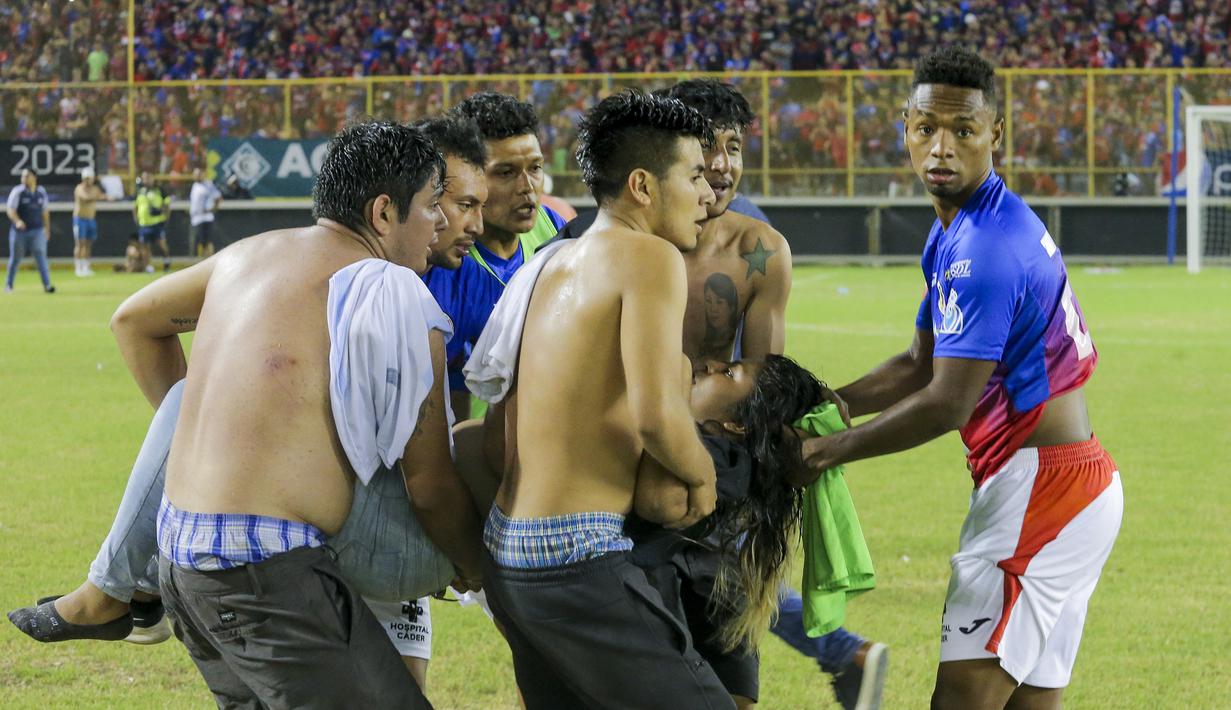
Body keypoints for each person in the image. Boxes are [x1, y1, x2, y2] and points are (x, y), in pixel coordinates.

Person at [797, 47, 1123, 710]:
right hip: (1064, 485)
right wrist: (829, 402)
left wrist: (825, 451)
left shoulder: (984, 248)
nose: (941, 148)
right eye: (926, 129)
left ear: (994, 134)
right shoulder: (954, 232)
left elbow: (946, 403)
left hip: (1041, 490)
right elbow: (920, 363)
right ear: (905, 129)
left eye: (962, 131)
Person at [121, 121, 478, 708]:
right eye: (431, 205)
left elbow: (133, 321)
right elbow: (432, 485)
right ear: (384, 212)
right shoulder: (393, 291)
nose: (440, 222)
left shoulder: (249, 254)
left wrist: (210, 433)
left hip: (183, 562)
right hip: (264, 574)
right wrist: (475, 568)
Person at [479, 90, 731, 709]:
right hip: (575, 555)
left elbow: (495, 427)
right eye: (694, 175)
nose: (708, 193)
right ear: (642, 186)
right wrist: (704, 480)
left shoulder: (550, 262)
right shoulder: (649, 256)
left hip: (508, 552)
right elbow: (655, 418)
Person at [657, 78, 886, 710]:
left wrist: (798, 443)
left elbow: (765, 381)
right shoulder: (622, 245)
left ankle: (840, 650)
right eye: (706, 146)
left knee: (733, 686)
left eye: (733, 146)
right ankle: (842, 652)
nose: (722, 164)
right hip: (626, 477)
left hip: (717, 485)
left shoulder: (759, 249)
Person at [429, 92, 567, 418]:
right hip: (474, 441)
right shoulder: (441, 261)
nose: (527, 186)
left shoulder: (552, 226)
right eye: (506, 172)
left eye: (535, 168)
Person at [5, 169, 54, 293]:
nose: (24, 178)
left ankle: (47, 285)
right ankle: (9, 285)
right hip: (19, 232)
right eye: (23, 176)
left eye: (27, 176)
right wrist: (17, 221)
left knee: (41, 258)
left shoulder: (41, 192)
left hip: (37, 231)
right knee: (15, 259)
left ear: (34, 177)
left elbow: (45, 212)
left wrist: (47, 228)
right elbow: (10, 209)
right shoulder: (18, 191)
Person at [132, 172, 172, 272]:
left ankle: (166, 262)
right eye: (145, 178)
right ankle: (148, 267)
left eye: (149, 178)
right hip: (144, 223)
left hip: (157, 222)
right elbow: (135, 207)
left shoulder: (160, 190)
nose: (147, 180)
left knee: (162, 244)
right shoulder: (139, 191)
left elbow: (167, 205)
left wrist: (165, 217)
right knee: (145, 246)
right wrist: (136, 219)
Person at [73, 167, 109, 276]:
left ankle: (86, 266)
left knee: (88, 244)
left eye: (90, 178)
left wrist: (101, 196)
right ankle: (78, 267)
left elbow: (103, 196)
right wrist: (98, 197)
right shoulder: (79, 188)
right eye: (86, 178)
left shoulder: (95, 189)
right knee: (80, 243)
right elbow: (85, 198)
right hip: (80, 219)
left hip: (91, 219)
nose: (88, 181)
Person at [187, 169, 222, 259]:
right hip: (196, 219)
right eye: (195, 174)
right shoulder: (195, 185)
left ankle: (210, 260)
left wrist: (212, 209)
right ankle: (204, 260)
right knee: (200, 242)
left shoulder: (208, 184)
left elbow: (218, 197)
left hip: (205, 218)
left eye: (199, 174)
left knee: (207, 241)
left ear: (203, 175)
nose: (197, 176)